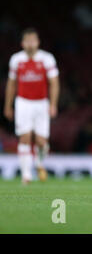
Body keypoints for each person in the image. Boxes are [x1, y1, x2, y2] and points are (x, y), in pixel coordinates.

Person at [3, 28, 60, 184]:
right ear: (22, 43)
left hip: (41, 103)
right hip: (23, 102)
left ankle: (39, 163)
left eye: (33, 40)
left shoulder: (47, 59)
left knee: (41, 141)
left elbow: (54, 82)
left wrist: (53, 104)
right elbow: (11, 84)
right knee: (25, 137)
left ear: (38, 42)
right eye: (27, 41)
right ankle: (26, 176)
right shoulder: (16, 60)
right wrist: (8, 105)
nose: (30, 44)